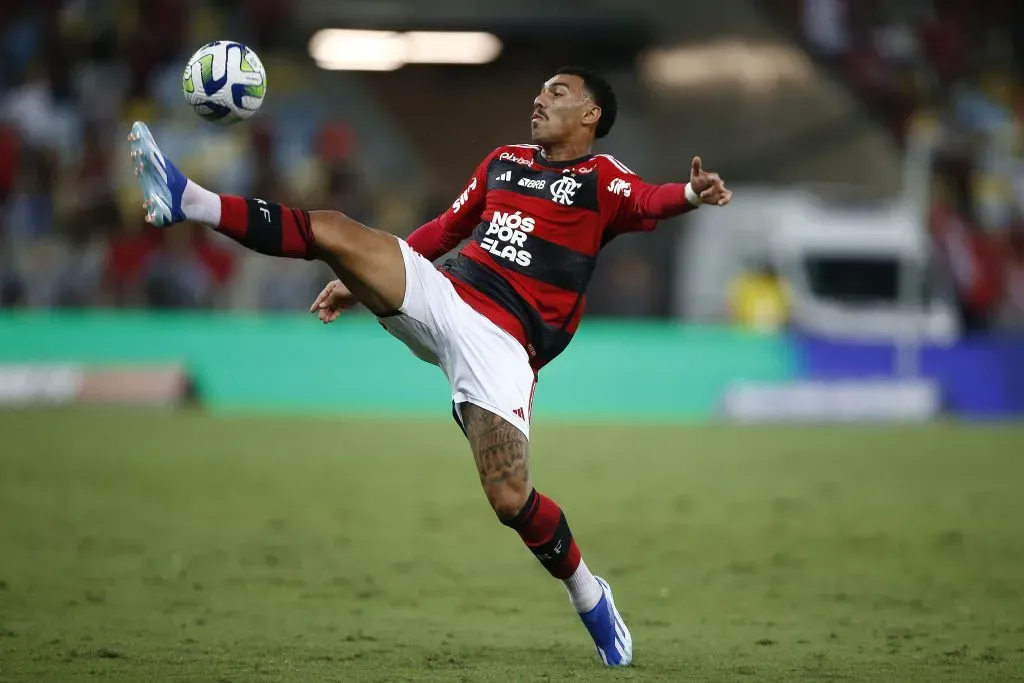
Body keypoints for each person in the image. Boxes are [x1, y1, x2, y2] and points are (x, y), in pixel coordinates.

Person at [129, 65, 732, 667]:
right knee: (336, 230)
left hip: (504, 346)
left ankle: (588, 592)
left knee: (510, 499)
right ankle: (189, 199)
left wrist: (690, 193)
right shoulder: (504, 163)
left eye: (557, 92)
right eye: (541, 88)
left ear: (591, 115)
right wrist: (355, 283)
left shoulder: (603, 179)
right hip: (446, 293)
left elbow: (652, 197)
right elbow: (447, 228)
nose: (539, 98)